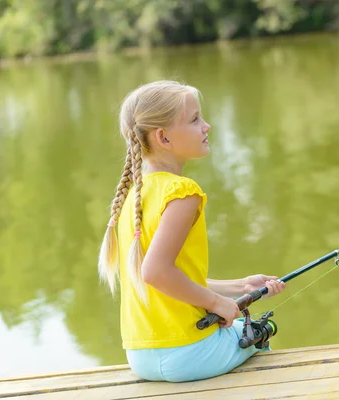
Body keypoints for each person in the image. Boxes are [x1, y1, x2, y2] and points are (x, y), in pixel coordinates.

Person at [97, 80, 285, 382]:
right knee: (260, 334)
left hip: (141, 356)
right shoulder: (182, 193)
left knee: (245, 332)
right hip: (186, 352)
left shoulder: (133, 197)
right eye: (195, 119)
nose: (207, 126)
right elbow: (155, 272)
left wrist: (240, 286)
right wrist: (215, 304)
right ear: (164, 137)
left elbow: (172, 278)